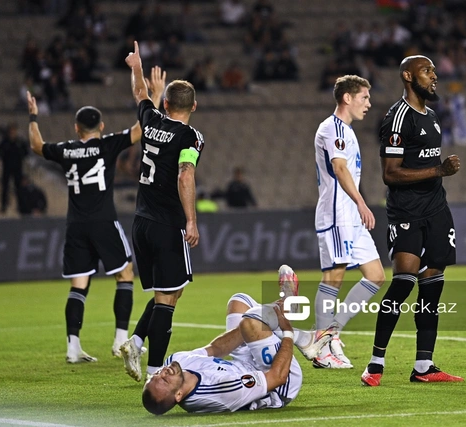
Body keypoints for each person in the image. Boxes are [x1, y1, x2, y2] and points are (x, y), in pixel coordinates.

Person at [26, 66, 166, 363]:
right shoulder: (107, 144)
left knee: (78, 285)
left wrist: (34, 117)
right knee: (125, 275)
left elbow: (36, 145)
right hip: (103, 221)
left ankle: (73, 347)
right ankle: (118, 341)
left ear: (76, 129)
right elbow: (141, 131)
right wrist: (155, 94)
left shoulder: (66, 149)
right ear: (101, 126)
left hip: (75, 225)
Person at [362, 55, 463, 387]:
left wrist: (439, 175)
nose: (434, 76)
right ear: (408, 76)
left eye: (434, 70)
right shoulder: (397, 118)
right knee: (403, 280)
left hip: (437, 211)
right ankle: (375, 365)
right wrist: (439, 170)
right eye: (427, 71)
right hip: (406, 212)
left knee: (432, 288)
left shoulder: (432, 116)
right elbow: (390, 174)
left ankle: (424, 366)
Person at [120, 41, 204, 382]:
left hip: (140, 220)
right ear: (194, 106)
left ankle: (136, 341)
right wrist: (191, 221)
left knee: (170, 290)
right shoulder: (190, 136)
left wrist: (136, 68)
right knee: (168, 299)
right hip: (167, 224)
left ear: (165, 103)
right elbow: (186, 174)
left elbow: (141, 94)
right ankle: (157, 372)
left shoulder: (151, 119)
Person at [142, 268, 336, 415]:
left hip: (243, 364)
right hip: (278, 383)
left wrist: (254, 324)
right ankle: (295, 327)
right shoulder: (221, 390)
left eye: (157, 374)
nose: (164, 372)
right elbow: (277, 377)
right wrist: (286, 333)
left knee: (239, 301)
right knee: (252, 320)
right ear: (178, 396)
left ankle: (288, 317)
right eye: (165, 379)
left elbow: (216, 348)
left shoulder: (175, 362)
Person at [312, 75, 385, 369]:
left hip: (350, 215)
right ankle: (321, 346)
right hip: (337, 213)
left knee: (376, 275)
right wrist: (360, 201)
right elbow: (339, 168)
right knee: (334, 277)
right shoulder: (332, 129)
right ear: (347, 98)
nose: (368, 103)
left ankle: (332, 332)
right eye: (364, 98)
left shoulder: (348, 131)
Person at [0, 123, 28, 214]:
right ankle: (4, 206)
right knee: (5, 187)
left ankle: (21, 206)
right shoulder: (4, 142)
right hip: (7, 167)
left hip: (18, 168)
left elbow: (26, 152)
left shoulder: (20, 142)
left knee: (19, 187)